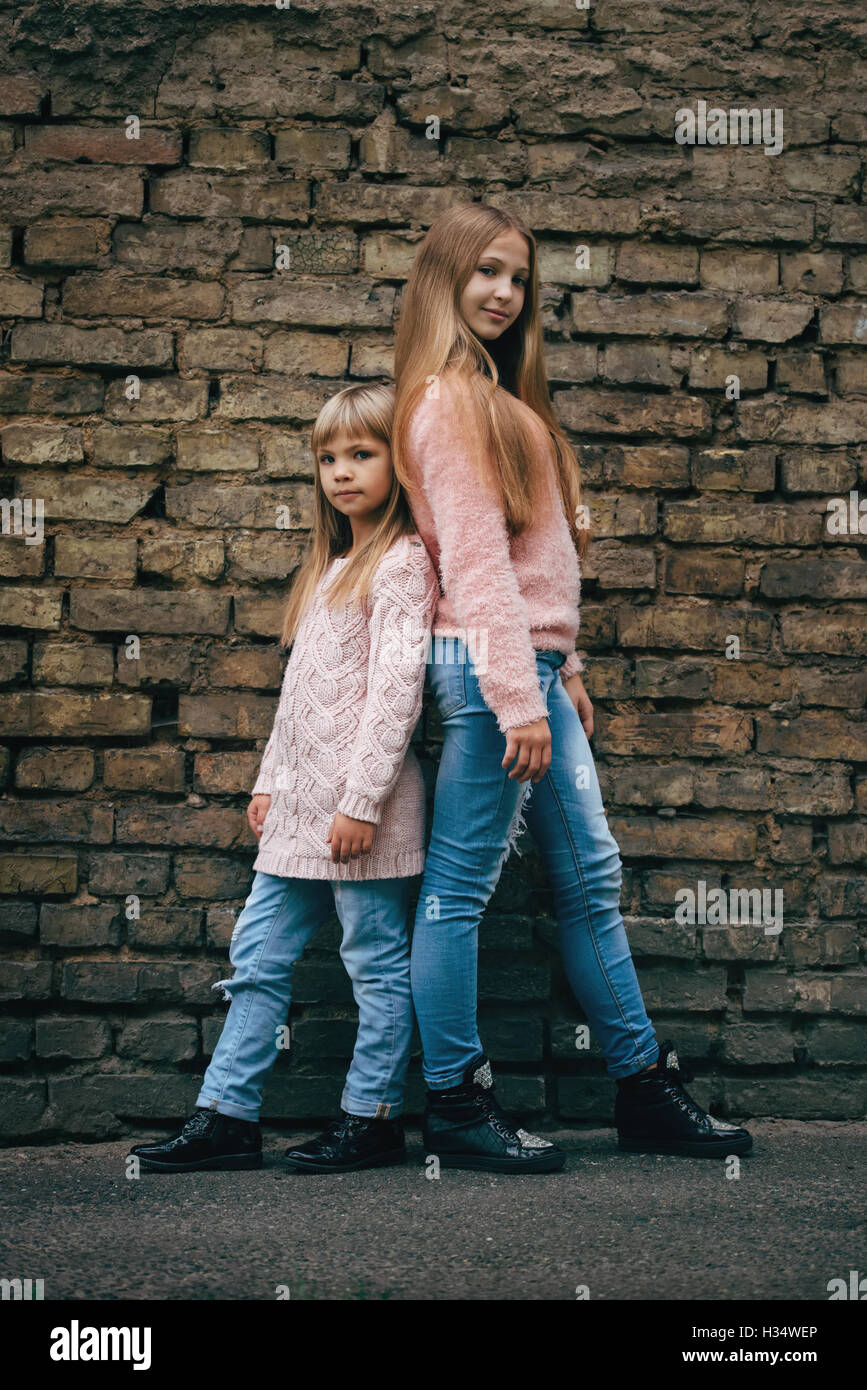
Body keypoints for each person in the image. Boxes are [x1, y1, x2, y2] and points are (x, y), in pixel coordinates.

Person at [390, 202, 753, 1169]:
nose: (505, 293)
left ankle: (640, 1085)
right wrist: (518, 696)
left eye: (519, 278)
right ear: (444, 280)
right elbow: (469, 563)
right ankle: (456, 1106)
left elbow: (534, 557)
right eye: (486, 273)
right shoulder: (445, 402)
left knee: (589, 875)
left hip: (530, 668)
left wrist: (566, 669)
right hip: (487, 671)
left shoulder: (505, 404)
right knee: (459, 889)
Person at [128, 384, 440, 1174]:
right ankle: (227, 1116)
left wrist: (362, 801)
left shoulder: (403, 565)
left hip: (359, 815)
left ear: (399, 464)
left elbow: (396, 695)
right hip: (299, 813)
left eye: (361, 455)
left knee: (374, 964)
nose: (341, 472)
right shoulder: (330, 567)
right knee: (257, 957)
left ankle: (372, 1117)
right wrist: (270, 779)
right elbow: (300, 698)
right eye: (328, 458)